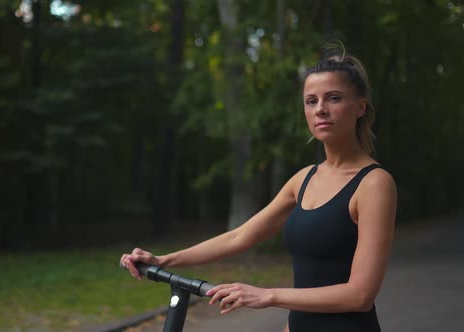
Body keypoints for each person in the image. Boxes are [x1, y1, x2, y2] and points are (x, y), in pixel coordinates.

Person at [119, 44, 397, 332]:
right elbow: (239, 237)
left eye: (334, 98)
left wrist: (267, 295)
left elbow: (360, 296)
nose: (321, 110)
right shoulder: (303, 179)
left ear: (360, 107)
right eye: (311, 101)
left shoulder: (374, 183)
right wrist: (164, 259)